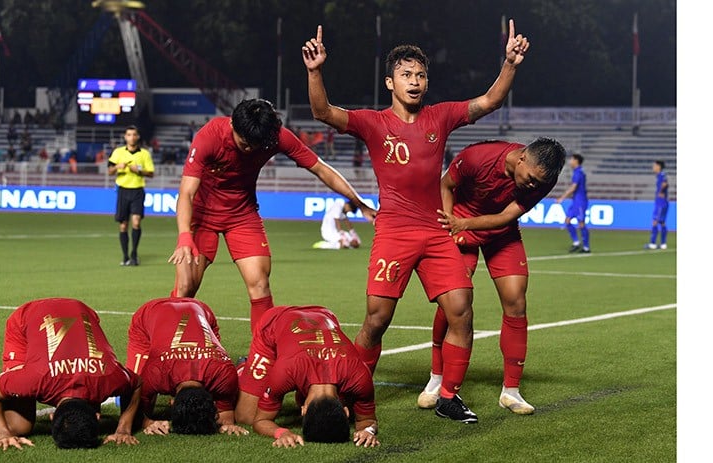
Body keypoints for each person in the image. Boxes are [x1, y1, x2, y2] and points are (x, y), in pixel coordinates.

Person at [302, 21, 529, 423]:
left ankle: (448, 396)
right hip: (394, 231)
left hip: (436, 230)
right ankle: (354, 393)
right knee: (377, 319)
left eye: (421, 75)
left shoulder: (440, 117)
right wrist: (315, 71)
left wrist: (509, 63)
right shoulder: (373, 123)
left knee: (462, 309)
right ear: (390, 82)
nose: (415, 81)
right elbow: (322, 112)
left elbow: (490, 100)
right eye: (406, 75)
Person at [168, 98, 376, 335]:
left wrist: (360, 203)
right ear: (233, 125)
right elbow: (186, 192)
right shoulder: (211, 135)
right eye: (244, 144)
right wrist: (185, 236)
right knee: (185, 287)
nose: (250, 150)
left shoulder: (275, 136)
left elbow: (320, 168)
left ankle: (262, 354)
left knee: (260, 284)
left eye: (255, 146)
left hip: (242, 215)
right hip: (202, 215)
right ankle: (168, 348)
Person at [416, 138, 567, 415]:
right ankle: (436, 379)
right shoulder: (478, 157)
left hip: (500, 232)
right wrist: (449, 225)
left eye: (539, 183)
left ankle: (511, 392)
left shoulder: (544, 179)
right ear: (521, 158)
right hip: (458, 221)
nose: (533, 185)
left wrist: (466, 224)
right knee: (453, 303)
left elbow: (506, 217)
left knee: (516, 303)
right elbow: (445, 185)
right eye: (531, 178)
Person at [0, 298, 143, 450]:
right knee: (19, 427)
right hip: (28, 318)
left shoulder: (109, 378)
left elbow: (137, 383)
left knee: (21, 425)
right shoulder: (35, 378)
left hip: (82, 309)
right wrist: (4, 434)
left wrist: (123, 429)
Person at [236, 305, 379, 448]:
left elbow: (368, 421)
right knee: (246, 416)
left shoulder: (359, 375)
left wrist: (367, 431)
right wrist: (282, 432)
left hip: (324, 316)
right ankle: (243, 367)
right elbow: (259, 421)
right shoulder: (286, 373)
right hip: (274, 322)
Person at [125, 297, 248, 437]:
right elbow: (131, 408)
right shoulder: (156, 373)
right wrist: (148, 422)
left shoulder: (224, 375)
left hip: (201, 310)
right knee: (132, 388)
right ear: (171, 402)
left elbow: (225, 413)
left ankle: (244, 364)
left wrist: (227, 425)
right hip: (148, 316)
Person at [108, 125, 155, 266]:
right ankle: (125, 256)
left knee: (136, 222)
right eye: (129, 134)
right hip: (123, 190)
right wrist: (117, 167)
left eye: (134, 134)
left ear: (138, 136)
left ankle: (134, 254)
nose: (132, 137)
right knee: (123, 225)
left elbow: (151, 173)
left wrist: (138, 170)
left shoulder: (144, 154)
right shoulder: (118, 152)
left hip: (137, 191)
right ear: (125, 137)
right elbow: (109, 171)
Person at [556, 153, 590, 253]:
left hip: (580, 201)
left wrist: (562, 198)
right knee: (567, 221)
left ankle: (586, 247)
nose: (570, 161)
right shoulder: (577, 172)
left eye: (572, 159)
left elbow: (573, 187)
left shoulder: (578, 172)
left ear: (576, 161)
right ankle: (576, 242)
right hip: (575, 201)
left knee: (581, 223)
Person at [647, 160, 669, 249]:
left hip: (661, 202)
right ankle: (663, 244)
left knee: (655, 221)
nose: (653, 167)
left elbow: (665, 184)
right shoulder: (660, 175)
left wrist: (661, 192)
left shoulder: (662, 175)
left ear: (659, 166)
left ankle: (653, 243)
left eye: (654, 166)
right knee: (662, 222)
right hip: (663, 202)